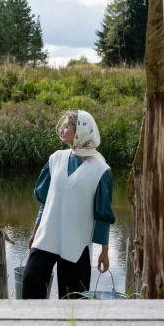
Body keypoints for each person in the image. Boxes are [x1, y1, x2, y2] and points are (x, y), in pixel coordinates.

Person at [22, 110, 115, 299]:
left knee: (72, 302)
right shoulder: (56, 158)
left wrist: (104, 251)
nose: (62, 130)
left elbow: (103, 214)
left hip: (76, 243)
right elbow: (46, 201)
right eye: (63, 126)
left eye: (67, 126)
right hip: (47, 236)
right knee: (30, 284)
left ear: (80, 131)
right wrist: (35, 231)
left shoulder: (100, 169)